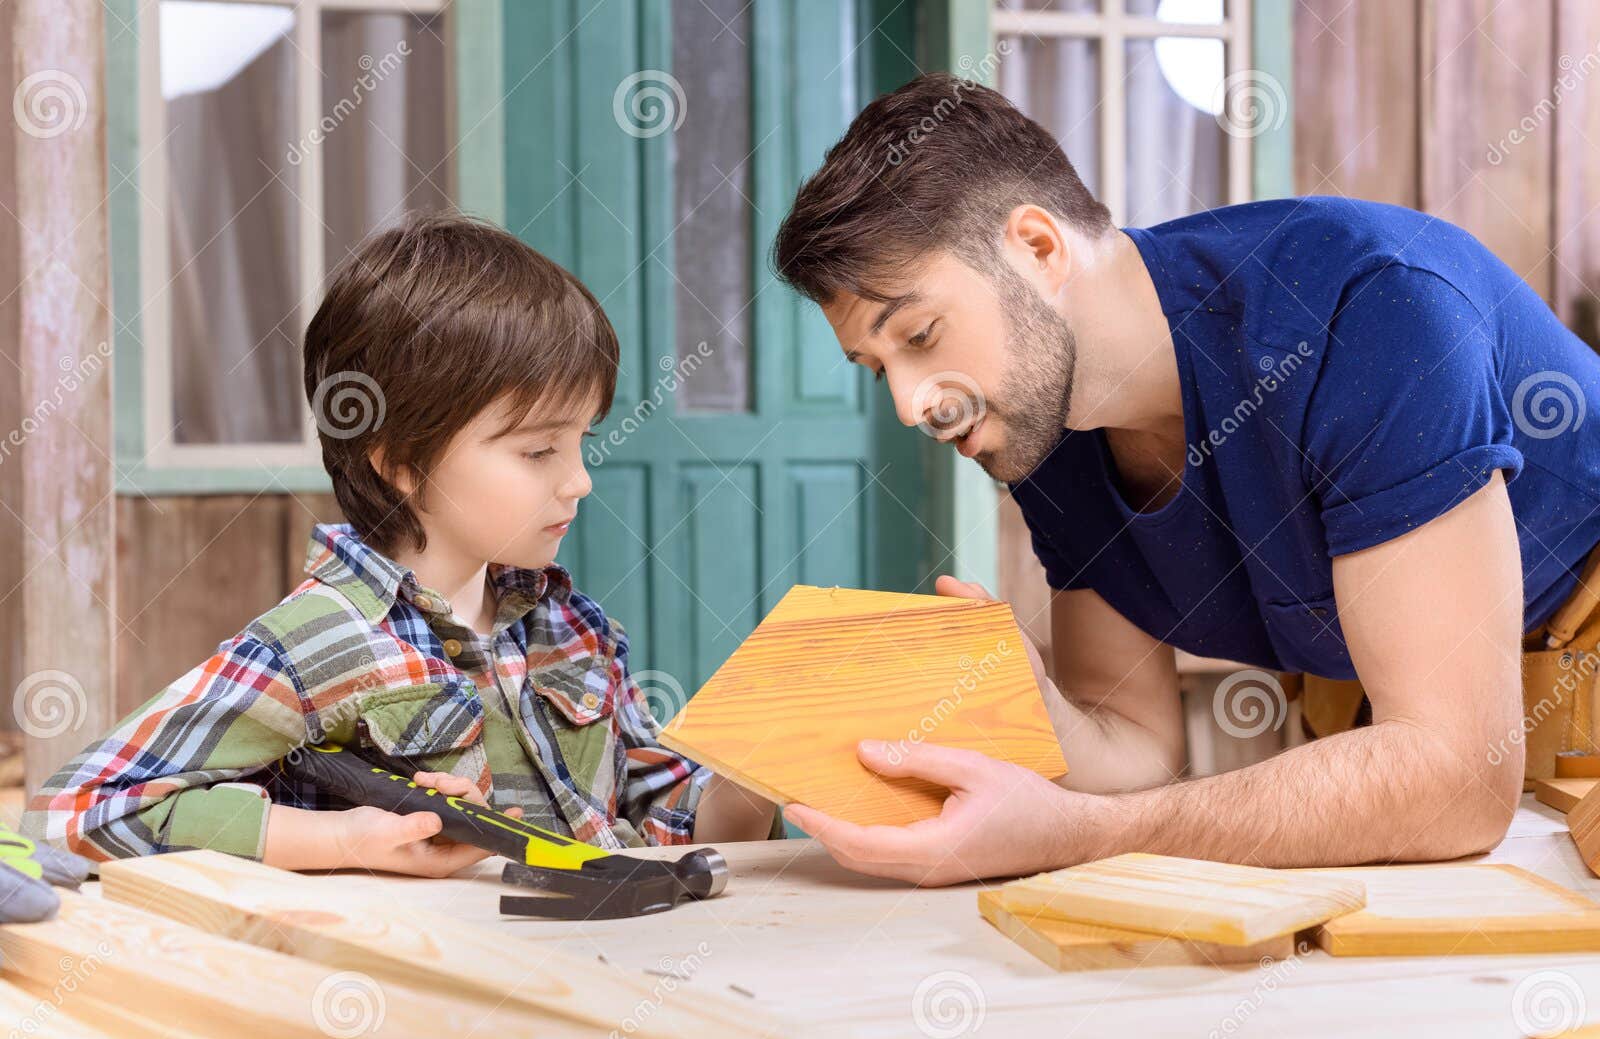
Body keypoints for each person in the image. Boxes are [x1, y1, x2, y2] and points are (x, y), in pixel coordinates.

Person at [769, 73, 1600, 885]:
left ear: (1037, 248)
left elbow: (1455, 779)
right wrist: (1039, 710)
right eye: (877, 370)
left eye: (918, 334)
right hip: (1399, 723)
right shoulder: (1045, 428)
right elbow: (1132, 744)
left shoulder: (1367, 309)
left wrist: (1075, 836)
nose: (914, 407)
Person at [24, 215, 777, 875]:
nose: (579, 481)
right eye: (538, 452)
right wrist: (341, 840)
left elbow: (678, 818)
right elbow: (73, 812)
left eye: (582, 442)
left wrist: (766, 773)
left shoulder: (574, 629)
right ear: (400, 461)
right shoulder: (318, 641)